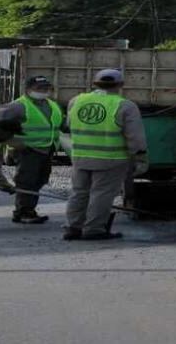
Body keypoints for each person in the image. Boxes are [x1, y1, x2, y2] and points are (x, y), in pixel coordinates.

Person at [64, 69, 147, 241]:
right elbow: (135, 136)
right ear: (120, 85)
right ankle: (94, 229)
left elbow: (69, 125)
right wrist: (140, 157)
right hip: (111, 159)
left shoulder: (76, 101)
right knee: (101, 194)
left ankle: (73, 227)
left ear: (94, 83)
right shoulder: (125, 105)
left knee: (79, 192)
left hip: (80, 156)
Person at [0, 76, 63, 224]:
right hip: (27, 150)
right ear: (28, 90)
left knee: (40, 180)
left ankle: (28, 209)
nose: (43, 91)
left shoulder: (52, 105)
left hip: (46, 149)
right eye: (39, 88)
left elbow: (60, 124)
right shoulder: (18, 106)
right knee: (26, 181)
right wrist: (11, 141)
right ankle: (23, 212)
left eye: (46, 88)